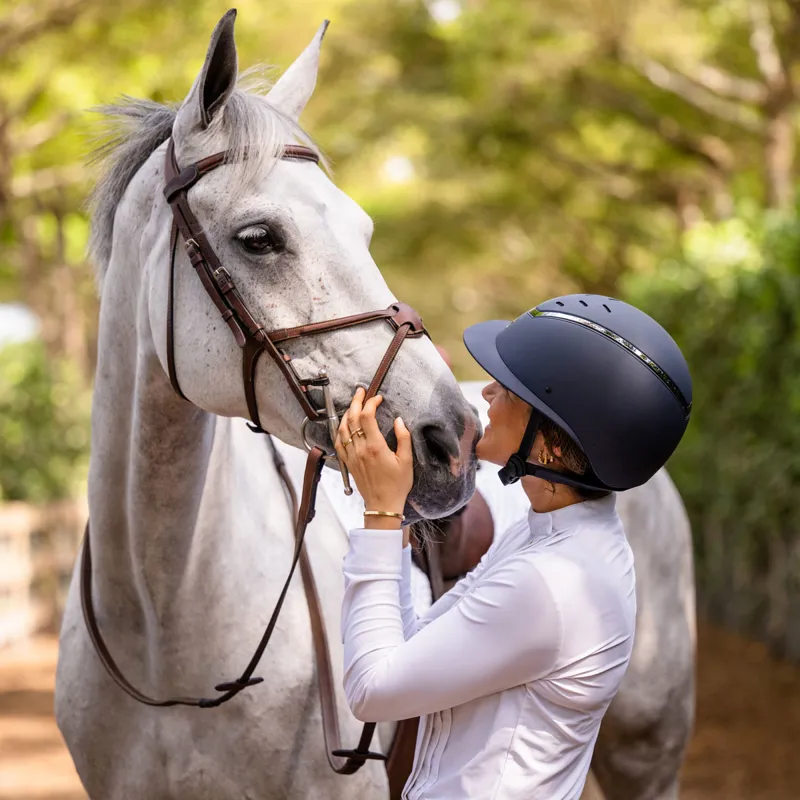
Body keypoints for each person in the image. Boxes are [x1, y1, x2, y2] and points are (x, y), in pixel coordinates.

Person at [334, 293, 692, 799]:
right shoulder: (551, 535)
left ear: (552, 443)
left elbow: (373, 689)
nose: (485, 394)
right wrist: (405, 511)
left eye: (509, 390)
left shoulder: (548, 583)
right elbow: (412, 648)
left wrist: (380, 512)